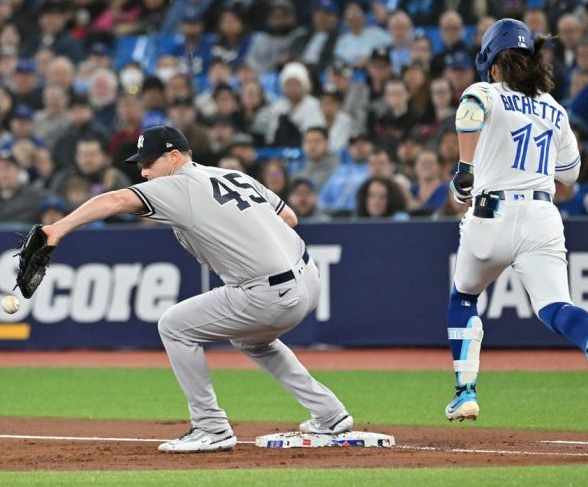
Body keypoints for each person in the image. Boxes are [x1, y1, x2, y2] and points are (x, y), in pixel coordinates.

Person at [40, 125, 353, 452]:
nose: (144, 172)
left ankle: (211, 426)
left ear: (174, 156)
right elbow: (288, 218)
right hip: (308, 278)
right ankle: (329, 414)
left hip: (268, 292)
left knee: (174, 326)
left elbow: (116, 199)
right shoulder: (233, 175)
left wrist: (57, 229)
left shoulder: (179, 184)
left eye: (149, 163)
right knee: (251, 340)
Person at [444, 19, 588, 422]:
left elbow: (469, 111)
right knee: (556, 307)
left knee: (464, 297)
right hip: (541, 213)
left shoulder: (485, 91)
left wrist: (464, 168)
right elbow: (571, 174)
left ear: (492, 65)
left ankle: (466, 392)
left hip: (491, 212)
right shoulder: (555, 109)